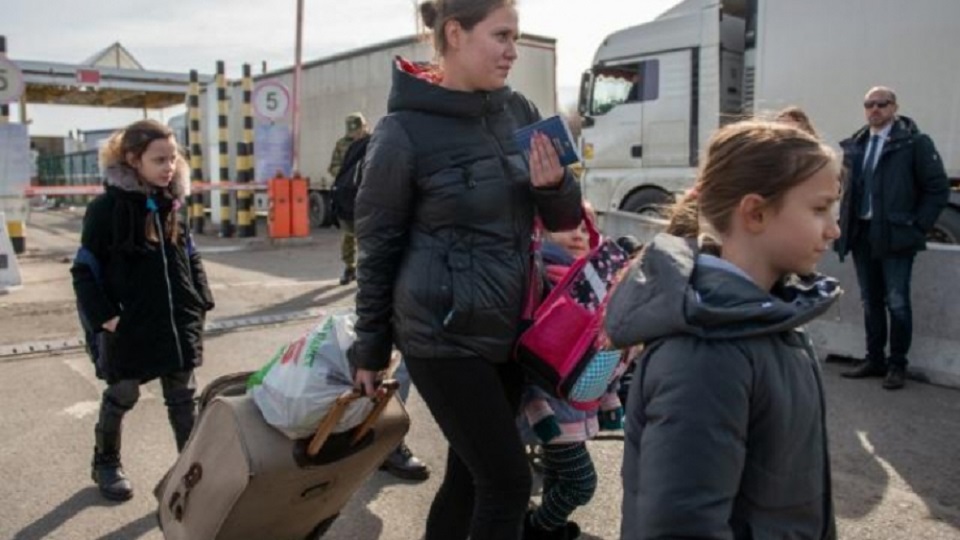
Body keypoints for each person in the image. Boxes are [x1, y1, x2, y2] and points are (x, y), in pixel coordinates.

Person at [348, 1, 582, 538]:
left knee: (469, 477)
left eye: (516, 36)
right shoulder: (402, 132)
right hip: (441, 337)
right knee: (507, 480)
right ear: (454, 33)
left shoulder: (520, 110)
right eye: (501, 35)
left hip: (512, 329)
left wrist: (554, 186)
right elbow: (377, 248)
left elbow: (565, 218)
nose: (512, 51)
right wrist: (371, 347)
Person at [605, 120, 843, 539]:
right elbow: (682, 525)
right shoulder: (707, 354)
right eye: (819, 209)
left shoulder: (768, 320)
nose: (833, 229)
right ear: (755, 212)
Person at [71, 119, 215, 502]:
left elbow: (191, 257)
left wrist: (201, 300)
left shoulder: (172, 205)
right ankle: (106, 462)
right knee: (123, 394)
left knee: (183, 398)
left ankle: (191, 475)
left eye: (173, 158)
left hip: (175, 322)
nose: (169, 166)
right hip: (128, 326)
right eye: (159, 159)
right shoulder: (105, 210)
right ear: (133, 160)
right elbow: (84, 270)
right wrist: (108, 317)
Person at [518, 209, 627, 540]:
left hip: (575, 408)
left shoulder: (595, 285)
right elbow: (529, 357)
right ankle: (536, 528)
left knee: (557, 478)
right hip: (552, 413)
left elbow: (605, 353)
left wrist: (609, 399)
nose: (578, 235)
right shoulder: (544, 282)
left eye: (584, 227)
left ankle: (545, 528)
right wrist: (537, 409)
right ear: (543, 233)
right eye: (566, 228)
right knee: (581, 484)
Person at [835, 86, 949, 390]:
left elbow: (938, 189)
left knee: (897, 301)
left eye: (882, 104)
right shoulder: (857, 143)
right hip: (862, 234)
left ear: (894, 107)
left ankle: (897, 364)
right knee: (870, 301)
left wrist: (917, 226)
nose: (875, 109)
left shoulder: (914, 143)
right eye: (869, 104)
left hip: (896, 236)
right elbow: (847, 191)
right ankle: (874, 359)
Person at [328, 112, 370, 285]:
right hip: (347, 194)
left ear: (364, 127)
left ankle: (365, 268)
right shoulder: (341, 144)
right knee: (348, 233)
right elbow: (333, 167)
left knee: (366, 233)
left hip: (366, 193)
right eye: (352, 131)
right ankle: (349, 267)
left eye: (358, 130)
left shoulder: (373, 141)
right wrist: (348, 177)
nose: (355, 134)